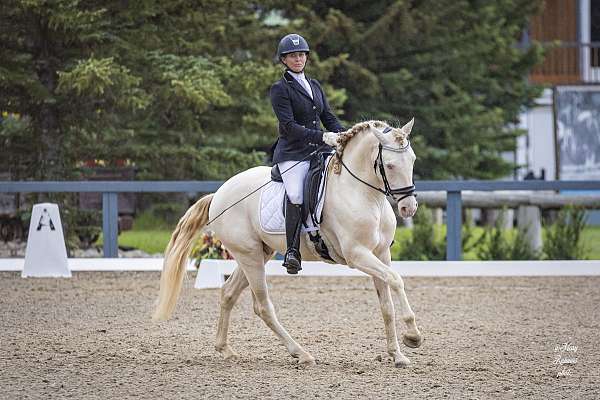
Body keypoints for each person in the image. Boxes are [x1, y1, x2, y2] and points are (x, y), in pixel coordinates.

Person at [269, 33, 345, 274]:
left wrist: (345, 136)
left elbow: (328, 117)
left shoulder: (314, 85)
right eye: (292, 56)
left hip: (318, 150)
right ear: (284, 60)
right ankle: (292, 251)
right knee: (295, 194)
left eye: (301, 55)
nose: (298, 59)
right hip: (293, 153)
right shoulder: (280, 89)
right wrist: (322, 136)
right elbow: (288, 126)